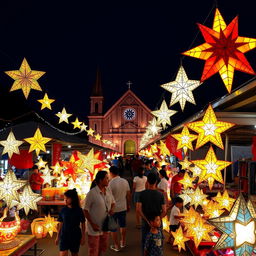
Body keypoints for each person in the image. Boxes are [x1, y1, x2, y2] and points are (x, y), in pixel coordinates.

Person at [84, 171, 115, 256]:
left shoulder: (108, 190)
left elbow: (113, 202)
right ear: (100, 180)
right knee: (93, 250)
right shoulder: (92, 193)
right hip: (94, 228)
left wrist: (112, 209)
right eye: (107, 178)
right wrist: (92, 224)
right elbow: (85, 210)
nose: (108, 180)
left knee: (102, 248)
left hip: (105, 226)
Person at [137, 172, 166, 254]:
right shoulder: (160, 195)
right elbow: (164, 211)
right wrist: (157, 220)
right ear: (156, 182)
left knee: (145, 242)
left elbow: (138, 209)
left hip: (146, 223)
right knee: (158, 243)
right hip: (157, 224)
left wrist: (147, 220)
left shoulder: (142, 194)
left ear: (147, 182)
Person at [55, 189, 85, 256]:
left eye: (67, 198)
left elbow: (83, 223)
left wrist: (83, 237)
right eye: (64, 198)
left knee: (74, 254)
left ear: (73, 199)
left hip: (75, 235)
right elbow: (60, 224)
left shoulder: (79, 210)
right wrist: (57, 236)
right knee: (63, 254)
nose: (65, 200)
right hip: (64, 236)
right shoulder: (63, 210)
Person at [109, 166, 131, 251]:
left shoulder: (110, 183)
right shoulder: (124, 181)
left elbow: (108, 197)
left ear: (111, 173)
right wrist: (128, 205)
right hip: (123, 206)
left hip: (113, 209)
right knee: (123, 225)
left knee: (113, 228)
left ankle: (116, 245)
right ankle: (123, 241)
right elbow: (128, 194)